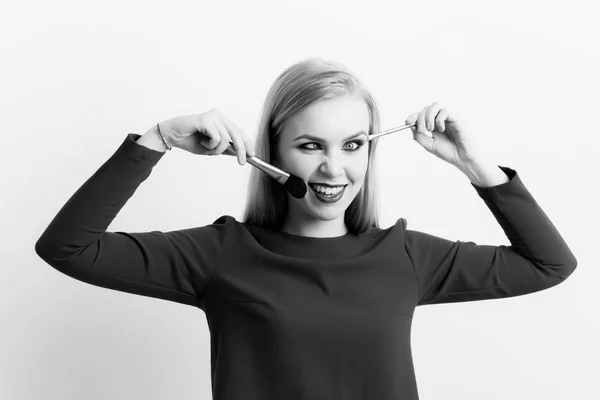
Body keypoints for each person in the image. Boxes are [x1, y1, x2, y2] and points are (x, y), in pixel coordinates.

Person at [34, 57, 577, 400]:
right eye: (311, 146)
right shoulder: (221, 254)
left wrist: (477, 168)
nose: (334, 169)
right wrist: (158, 138)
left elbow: (549, 265)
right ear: (273, 155)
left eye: (353, 145)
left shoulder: (405, 257)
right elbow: (67, 248)